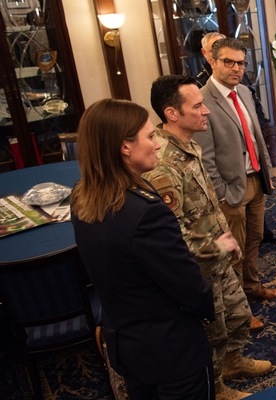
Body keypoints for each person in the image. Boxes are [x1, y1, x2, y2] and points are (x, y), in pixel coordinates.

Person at [71, 99, 216, 399]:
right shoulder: (145, 213)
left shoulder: (81, 198)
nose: (157, 145)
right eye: (149, 137)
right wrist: (207, 304)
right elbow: (188, 286)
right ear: (125, 147)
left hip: (129, 348)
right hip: (173, 351)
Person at [144, 75, 274, 399]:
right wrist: (219, 245)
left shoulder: (189, 144)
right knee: (212, 333)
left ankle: (233, 363)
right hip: (199, 266)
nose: (207, 111)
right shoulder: (164, 166)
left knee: (240, 315)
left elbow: (203, 204)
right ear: (172, 113)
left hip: (217, 256)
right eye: (198, 105)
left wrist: (224, 234)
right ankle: (216, 388)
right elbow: (172, 235)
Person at [194, 37, 276, 306]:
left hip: (255, 179)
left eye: (241, 63)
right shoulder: (203, 100)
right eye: (228, 62)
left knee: (255, 239)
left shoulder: (244, 91)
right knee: (234, 249)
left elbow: (257, 139)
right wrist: (221, 193)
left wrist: (266, 173)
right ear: (212, 61)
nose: (236, 68)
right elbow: (206, 157)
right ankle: (238, 308)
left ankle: (253, 287)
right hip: (230, 188)